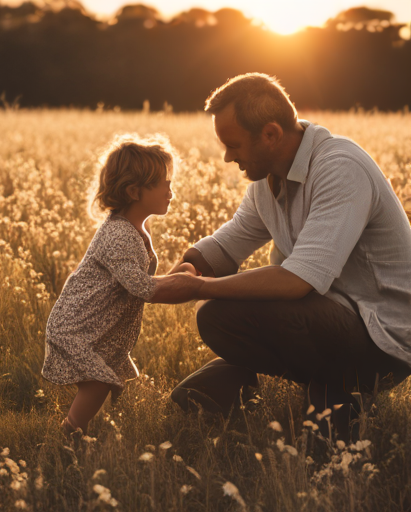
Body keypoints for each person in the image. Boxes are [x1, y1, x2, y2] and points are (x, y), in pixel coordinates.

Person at [152, 73, 411, 440]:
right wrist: (179, 273)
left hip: (381, 339)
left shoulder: (340, 167)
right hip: (330, 315)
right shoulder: (268, 177)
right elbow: (228, 244)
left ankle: (338, 400)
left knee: (216, 309)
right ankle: (311, 388)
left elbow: (297, 281)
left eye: (234, 144)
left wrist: (197, 287)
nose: (227, 157)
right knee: (215, 317)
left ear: (271, 134)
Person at [42, 134, 185, 436]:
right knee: (99, 381)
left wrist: (178, 274)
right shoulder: (119, 235)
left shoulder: (136, 228)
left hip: (98, 325)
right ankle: (70, 435)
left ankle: (119, 426)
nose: (171, 191)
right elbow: (144, 288)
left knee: (116, 376)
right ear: (135, 191)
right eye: (164, 183)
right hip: (77, 327)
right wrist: (188, 284)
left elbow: (140, 280)